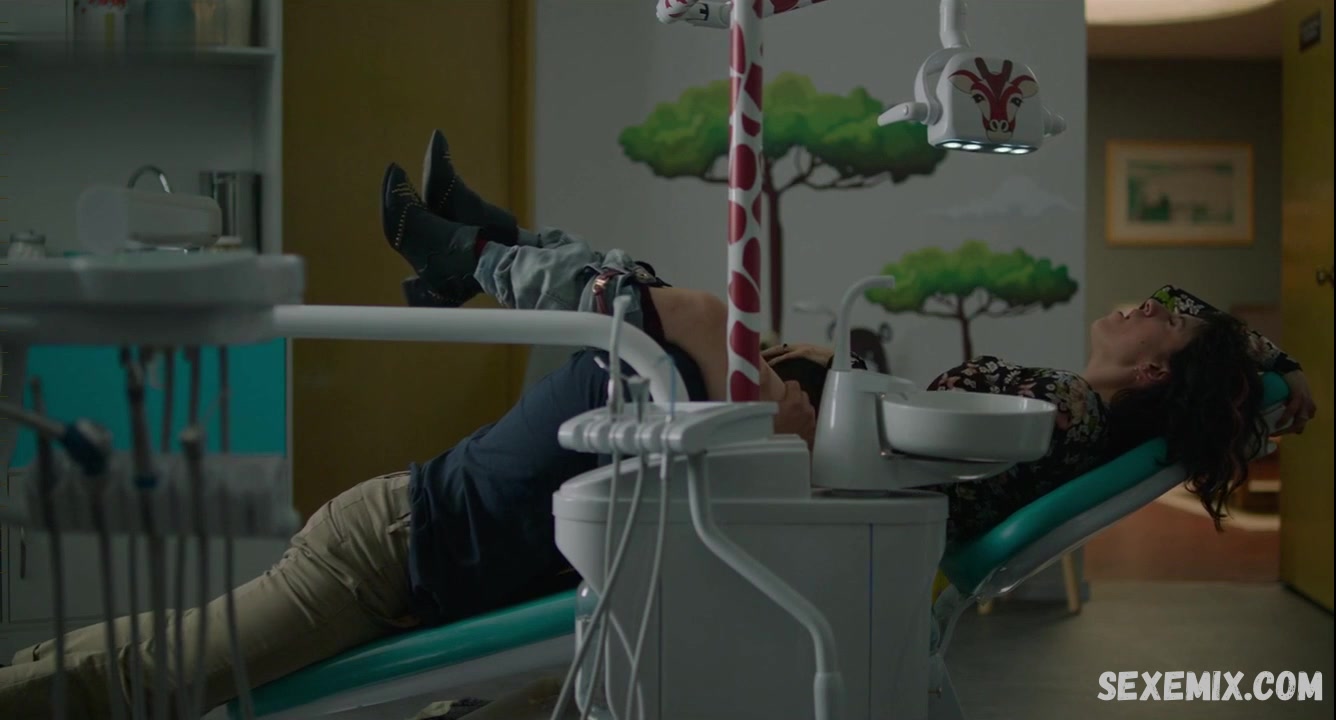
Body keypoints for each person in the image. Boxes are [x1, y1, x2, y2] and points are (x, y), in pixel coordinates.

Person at [0, 131, 1316, 718]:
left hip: (403, 549)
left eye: (1166, 312)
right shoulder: (1060, 403)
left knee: (672, 317)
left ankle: (482, 253)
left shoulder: (1064, 413)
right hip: (396, 547)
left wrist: (1269, 377)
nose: (1138, 303)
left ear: (1167, 370)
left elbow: (914, 451)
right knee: (673, 316)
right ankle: (486, 251)